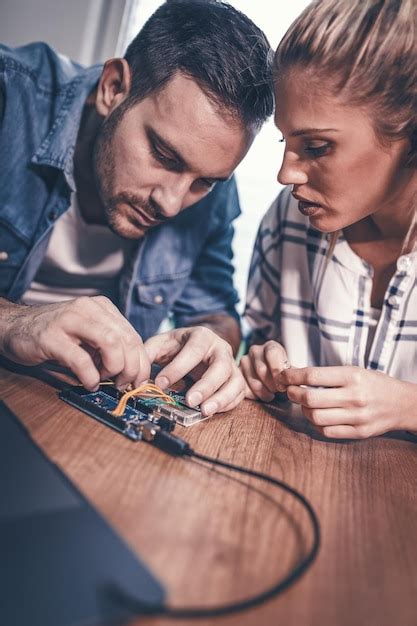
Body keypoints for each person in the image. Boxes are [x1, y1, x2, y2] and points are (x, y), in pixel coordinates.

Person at [0, 0, 274, 417]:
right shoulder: (10, 98)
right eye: (164, 155)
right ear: (113, 88)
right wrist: (14, 323)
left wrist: (207, 342)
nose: (171, 203)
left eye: (204, 182)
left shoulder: (214, 185)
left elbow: (216, 315)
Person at [241, 0, 417, 438]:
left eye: (317, 147)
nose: (286, 174)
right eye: (285, 141)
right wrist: (261, 364)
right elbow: (255, 345)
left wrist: (408, 407)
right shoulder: (287, 221)